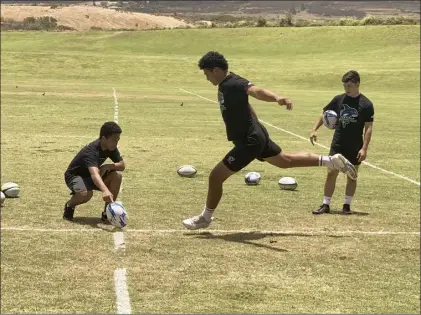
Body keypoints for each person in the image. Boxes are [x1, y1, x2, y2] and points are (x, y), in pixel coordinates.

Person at [182, 51, 357, 230]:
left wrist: (276, 98)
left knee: (215, 177)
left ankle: (205, 217)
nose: (206, 78)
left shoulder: (234, 83)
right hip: (256, 135)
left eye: (207, 74)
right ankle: (330, 160)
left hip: (250, 140)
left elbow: (255, 91)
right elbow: (247, 106)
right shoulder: (226, 85)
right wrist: (257, 128)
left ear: (216, 70)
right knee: (284, 161)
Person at [310, 70, 374, 214]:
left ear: (357, 84)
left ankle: (347, 206)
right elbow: (324, 114)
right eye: (345, 86)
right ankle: (325, 204)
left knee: (352, 176)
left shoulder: (366, 104)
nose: (346, 89)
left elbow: (368, 128)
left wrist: (364, 148)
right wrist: (314, 129)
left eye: (349, 86)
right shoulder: (338, 99)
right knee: (331, 172)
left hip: (355, 145)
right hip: (338, 143)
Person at [63, 121, 126, 221]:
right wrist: (105, 190)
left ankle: (107, 213)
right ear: (104, 138)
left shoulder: (111, 147)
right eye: (114, 140)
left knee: (117, 176)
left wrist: (106, 166)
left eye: (118, 140)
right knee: (86, 194)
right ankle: (70, 205)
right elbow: (94, 174)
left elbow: (122, 165)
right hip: (75, 176)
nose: (116, 143)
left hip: (92, 175)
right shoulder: (92, 150)